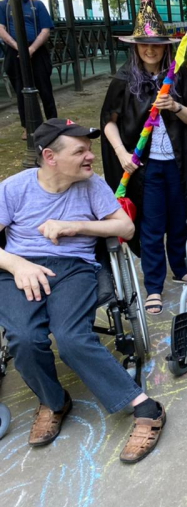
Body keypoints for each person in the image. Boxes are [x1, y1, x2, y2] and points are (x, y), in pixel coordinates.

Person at [0, 118, 166, 463]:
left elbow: (125, 227)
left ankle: (146, 407)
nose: (90, 156)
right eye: (80, 151)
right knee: (24, 338)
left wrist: (74, 226)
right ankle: (54, 402)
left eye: (89, 149)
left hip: (73, 268)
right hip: (19, 268)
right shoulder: (14, 188)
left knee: (72, 337)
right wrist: (16, 264)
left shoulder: (93, 185)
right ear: (50, 157)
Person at [100, 0, 187, 316]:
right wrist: (121, 154)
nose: (150, 50)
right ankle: (154, 286)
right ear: (136, 47)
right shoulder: (123, 79)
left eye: (157, 45)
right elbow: (108, 122)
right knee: (150, 225)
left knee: (179, 220)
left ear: (166, 47)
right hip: (144, 167)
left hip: (177, 163)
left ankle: (182, 268)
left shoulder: (179, 75)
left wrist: (175, 106)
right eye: (144, 44)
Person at [0, 0, 57, 139]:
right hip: (15, 52)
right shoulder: (4, 6)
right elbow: (1, 29)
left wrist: (31, 50)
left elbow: (46, 30)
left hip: (37, 51)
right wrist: (18, 47)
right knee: (20, 90)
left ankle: (53, 122)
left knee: (45, 88)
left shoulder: (37, 5)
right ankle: (27, 126)